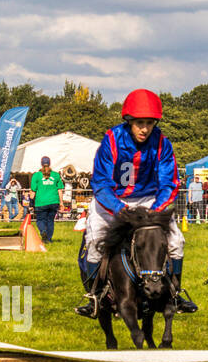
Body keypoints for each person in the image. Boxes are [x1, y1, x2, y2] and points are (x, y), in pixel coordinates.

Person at [75, 89, 198, 316]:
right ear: (128, 121)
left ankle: (175, 293)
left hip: (149, 201)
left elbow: (169, 184)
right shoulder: (111, 140)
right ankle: (94, 297)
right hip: (112, 201)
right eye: (139, 123)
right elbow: (101, 183)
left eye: (149, 123)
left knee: (176, 242)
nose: (144, 129)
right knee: (94, 242)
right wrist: (121, 210)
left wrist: (154, 211)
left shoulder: (162, 143)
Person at [30, 157, 62, 243]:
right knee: (50, 221)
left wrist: (31, 204)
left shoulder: (36, 175)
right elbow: (60, 190)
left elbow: (33, 191)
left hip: (41, 202)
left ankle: (43, 232)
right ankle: (49, 239)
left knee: (40, 220)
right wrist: (61, 203)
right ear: (50, 163)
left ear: (41, 164)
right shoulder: (56, 175)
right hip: (54, 201)